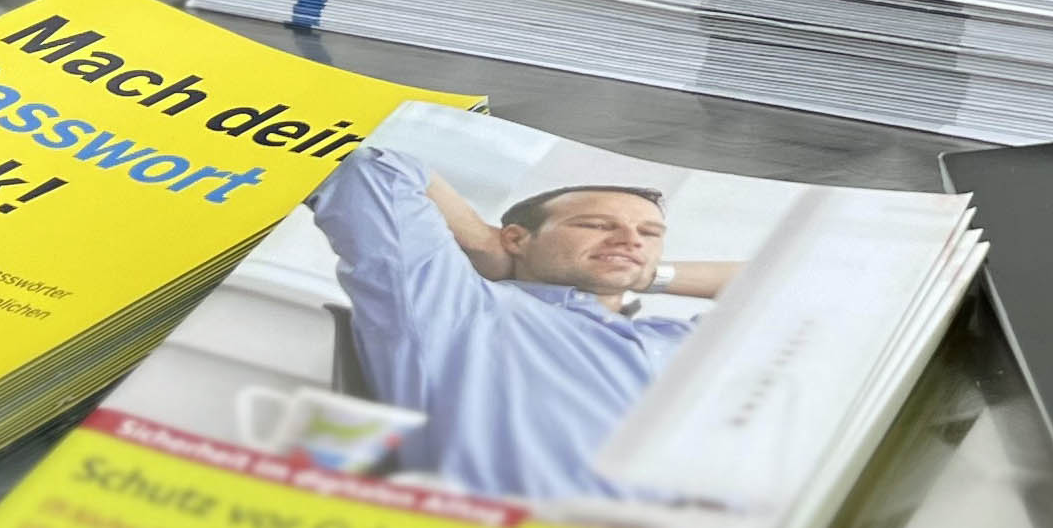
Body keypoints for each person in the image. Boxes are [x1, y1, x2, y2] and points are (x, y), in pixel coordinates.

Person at [307, 143, 743, 503]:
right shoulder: (461, 307)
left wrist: (647, 274)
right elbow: (371, 170)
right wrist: (482, 240)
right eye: (596, 224)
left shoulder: (683, 339)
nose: (630, 239)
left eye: (649, 235)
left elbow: (806, 285)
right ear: (517, 238)